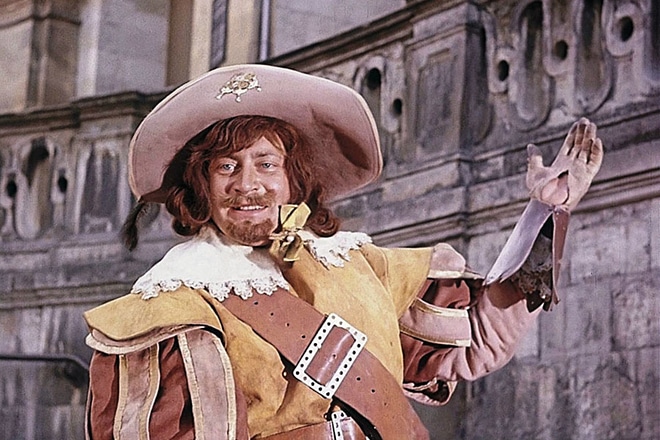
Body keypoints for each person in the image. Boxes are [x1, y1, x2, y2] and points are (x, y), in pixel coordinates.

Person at [83, 64, 603, 440]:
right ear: (201, 185)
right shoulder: (170, 304)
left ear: (293, 177)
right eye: (226, 166)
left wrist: (543, 214)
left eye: (266, 163)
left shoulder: (355, 263)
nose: (248, 185)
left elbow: (475, 341)